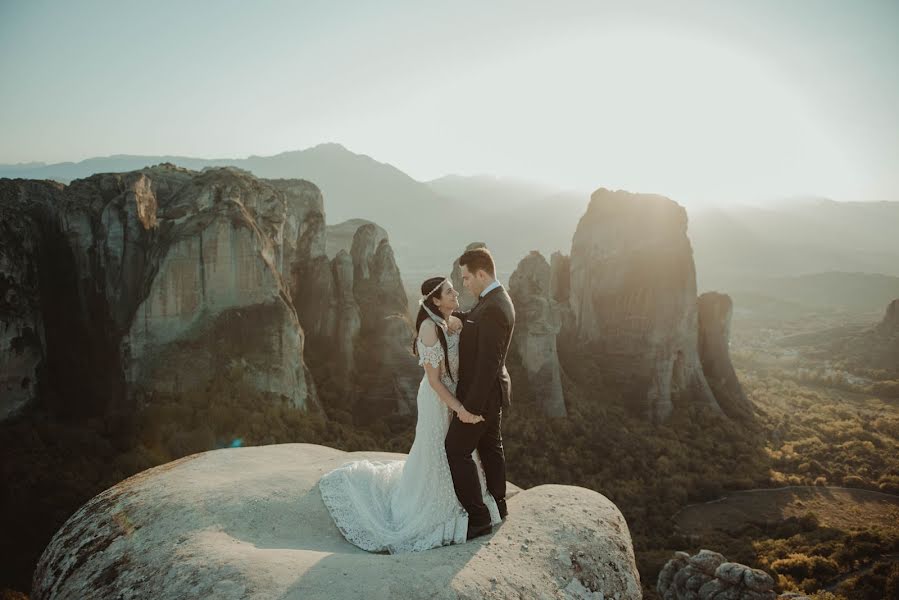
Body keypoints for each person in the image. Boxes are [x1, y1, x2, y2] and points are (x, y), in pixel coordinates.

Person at [318, 276, 501, 553]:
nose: (456, 294)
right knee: (438, 449)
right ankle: (440, 505)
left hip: (456, 395)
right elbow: (435, 381)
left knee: (459, 450)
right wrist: (461, 409)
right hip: (438, 399)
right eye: (450, 292)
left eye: (454, 289)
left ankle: (468, 501)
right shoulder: (429, 329)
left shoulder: (453, 321)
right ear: (436, 301)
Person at [446, 247, 516, 541]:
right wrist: (450, 314)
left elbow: (488, 364)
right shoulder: (490, 301)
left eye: (466, 278)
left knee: (456, 449)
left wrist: (469, 408)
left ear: (481, 274)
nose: (464, 284)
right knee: (490, 447)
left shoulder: (496, 309)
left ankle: (479, 518)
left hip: (482, 397)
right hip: (491, 394)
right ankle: (499, 506)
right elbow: (474, 319)